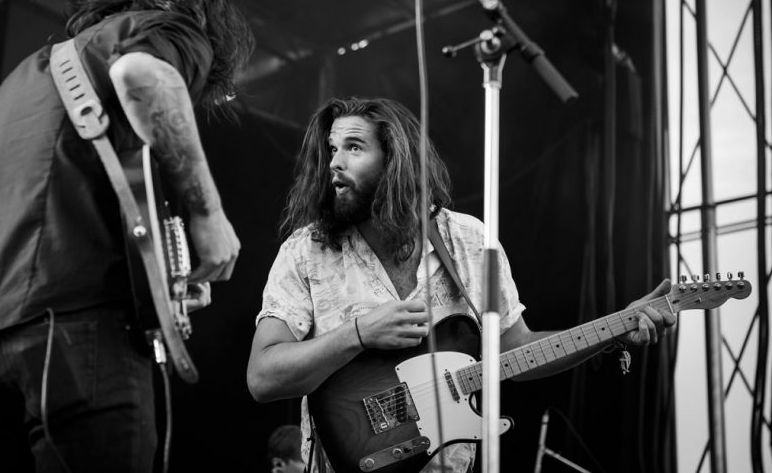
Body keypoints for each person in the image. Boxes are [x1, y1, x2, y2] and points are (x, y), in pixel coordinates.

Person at [0, 0, 254, 471]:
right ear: (196, 8)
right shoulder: (166, 27)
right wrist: (207, 213)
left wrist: (162, 280)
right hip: (71, 334)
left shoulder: (20, 80)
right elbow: (145, 75)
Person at [246, 96, 676, 473]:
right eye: (332, 149)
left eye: (354, 147)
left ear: (396, 159)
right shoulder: (308, 250)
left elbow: (513, 351)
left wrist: (616, 327)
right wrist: (357, 334)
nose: (335, 162)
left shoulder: (468, 240)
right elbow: (263, 378)